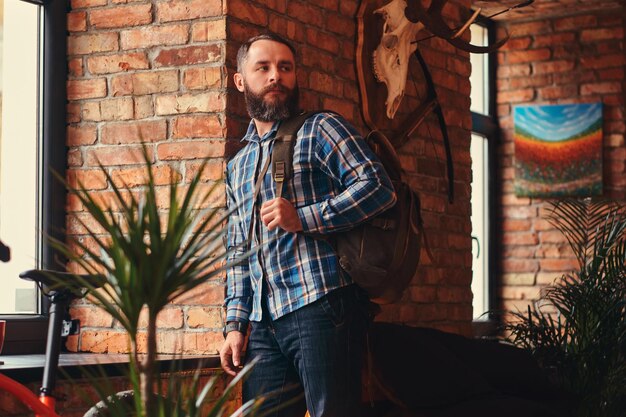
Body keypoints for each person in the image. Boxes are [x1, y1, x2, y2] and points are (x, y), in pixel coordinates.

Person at [219, 33, 396, 417]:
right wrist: (235, 322)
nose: (275, 76)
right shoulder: (238, 165)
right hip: (262, 323)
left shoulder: (322, 128)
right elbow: (237, 248)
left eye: (285, 67)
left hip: (322, 304)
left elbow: (379, 188)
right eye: (263, 67)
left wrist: (304, 217)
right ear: (240, 80)